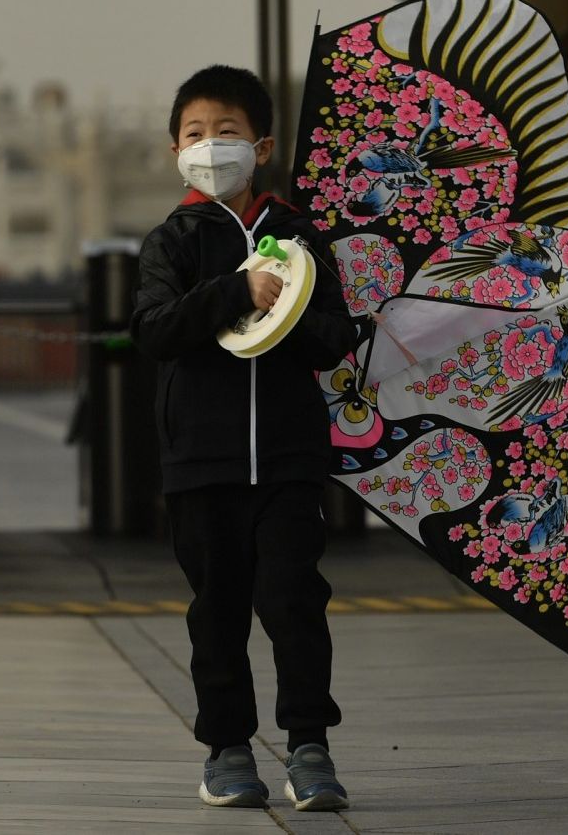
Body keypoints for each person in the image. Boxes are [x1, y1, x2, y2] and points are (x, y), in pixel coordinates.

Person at [130, 65, 356, 812]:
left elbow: (331, 338)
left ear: (260, 145)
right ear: (174, 150)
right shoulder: (173, 241)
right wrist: (234, 291)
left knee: (295, 601)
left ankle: (310, 748)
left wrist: (286, 309)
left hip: (288, 460)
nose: (210, 145)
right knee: (216, 609)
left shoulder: (296, 235)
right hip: (201, 463)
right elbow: (155, 330)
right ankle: (227, 751)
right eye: (195, 134)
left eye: (226, 132)